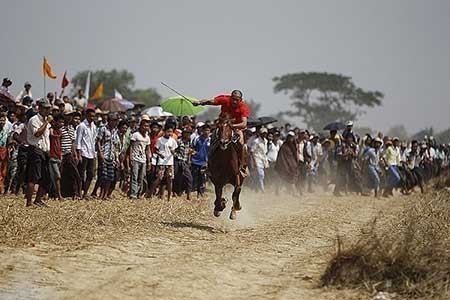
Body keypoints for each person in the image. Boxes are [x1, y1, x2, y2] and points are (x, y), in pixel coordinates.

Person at [194, 90, 250, 175]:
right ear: (230, 97)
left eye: (237, 100)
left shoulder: (243, 107)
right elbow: (211, 101)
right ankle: (208, 165)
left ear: (240, 100)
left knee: (242, 143)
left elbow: (244, 123)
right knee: (212, 140)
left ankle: (242, 167)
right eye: (233, 99)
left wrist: (232, 126)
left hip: (236, 128)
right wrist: (199, 103)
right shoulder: (225, 99)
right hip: (222, 126)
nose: (234, 101)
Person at [25, 100, 52, 207]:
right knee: (33, 177)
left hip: (44, 152)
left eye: (48, 108)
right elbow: (37, 134)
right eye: (45, 108)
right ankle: (29, 202)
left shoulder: (45, 120)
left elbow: (46, 138)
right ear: (39, 108)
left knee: (45, 178)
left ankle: (38, 200)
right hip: (35, 151)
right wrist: (46, 122)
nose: (47, 110)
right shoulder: (34, 120)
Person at [150, 125, 178, 201]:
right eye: (168, 131)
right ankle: (150, 193)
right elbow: (155, 149)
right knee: (159, 178)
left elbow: (174, 151)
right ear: (164, 132)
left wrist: (172, 151)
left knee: (169, 179)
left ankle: (169, 197)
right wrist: (160, 154)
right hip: (162, 162)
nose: (170, 133)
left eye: (171, 132)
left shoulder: (172, 140)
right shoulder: (160, 140)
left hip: (169, 162)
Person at [97, 112, 119, 199]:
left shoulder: (115, 131)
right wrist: (101, 153)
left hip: (111, 156)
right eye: (114, 121)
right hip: (104, 154)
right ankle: (101, 194)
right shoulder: (103, 129)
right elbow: (98, 141)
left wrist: (116, 157)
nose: (116, 122)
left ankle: (105, 194)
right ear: (110, 121)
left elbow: (115, 145)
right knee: (104, 176)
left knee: (110, 176)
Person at [76, 108, 97, 199]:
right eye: (91, 116)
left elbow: (93, 140)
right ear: (86, 115)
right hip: (84, 152)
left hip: (91, 153)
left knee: (90, 174)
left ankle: (85, 193)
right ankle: (79, 193)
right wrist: (79, 154)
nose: (92, 118)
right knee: (81, 174)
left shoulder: (93, 126)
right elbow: (78, 141)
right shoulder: (82, 126)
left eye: (93, 116)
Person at [60, 111, 81, 199]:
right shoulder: (60, 128)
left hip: (69, 154)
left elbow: (73, 143)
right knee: (61, 174)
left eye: (71, 116)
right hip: (61, 154)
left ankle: (76, 193)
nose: (69, 117)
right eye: (67, 115)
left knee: (75, 175)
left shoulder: (72, 128)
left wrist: (75, 155)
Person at [129, 117, 151, 199]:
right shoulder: (135, 135)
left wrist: (149, 161)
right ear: (141, 126)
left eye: (147, 126)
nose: (146, 128)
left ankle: (138, 193)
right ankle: (133, 194)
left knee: (141, 178)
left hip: (143, 159)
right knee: (134, 176)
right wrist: (131, 157)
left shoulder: (147, 137)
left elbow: (147, 150)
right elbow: (131, 147)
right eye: (144, 126)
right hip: (135, 158)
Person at [191, 124, 210, 198]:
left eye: (208, 130)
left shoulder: (210, 140)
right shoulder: (197, 138)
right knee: (195, 176)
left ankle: (201, 192)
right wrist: (193, 152)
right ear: (202, 131)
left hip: (205, 162)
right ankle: (194, 190)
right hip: (196, 161)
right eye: (205, 130)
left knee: (203, 177)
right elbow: (192, 147)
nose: (206, 132)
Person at [173, 128, 193, 200]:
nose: (188, 135)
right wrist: (176, 156)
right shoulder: (178, 141)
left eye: (189, 133)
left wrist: (189, 159)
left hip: (185, 162)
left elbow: (189, 152)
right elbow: (173, 151)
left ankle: (189, 194)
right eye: (186, 133)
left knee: (189, 177)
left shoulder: (189, 142)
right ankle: (176, 192)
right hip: (178, 160)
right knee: (177, 177)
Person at [49, 114, 64, 200]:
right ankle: (58, 194)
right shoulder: (51, 130)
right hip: (52, 156)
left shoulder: (59, 131)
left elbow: (60, 144)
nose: (61, 124)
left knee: (54, 177)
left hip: (58, 156)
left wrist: (61, 154)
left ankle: (53, 194)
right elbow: (52, 135)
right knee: (57, 176)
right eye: (60, 122)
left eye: (62, 122)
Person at [248, 127, 269, 192]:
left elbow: (265, 151)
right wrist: (254, 161)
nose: (264, 135)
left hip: (263, 159)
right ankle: (262, 189)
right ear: (260, 134)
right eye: (263, 133)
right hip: (257, 158)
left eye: (265, 133)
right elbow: (252, 151)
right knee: (260, 174)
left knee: (261, 175)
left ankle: (255, 188)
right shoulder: (256, 141)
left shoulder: (266, 141)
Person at [0, 115, 9, 193]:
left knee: (4, 170)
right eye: (1, 120)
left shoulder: (5, 131)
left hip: (4, 151)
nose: (2, 122)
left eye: (3, 120)